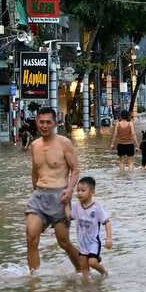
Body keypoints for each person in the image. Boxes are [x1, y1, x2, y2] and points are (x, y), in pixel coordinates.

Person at [24, 107, 81, 274]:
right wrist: (36, 192)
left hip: (60, 196)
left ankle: (82, 270)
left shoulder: (64, 143)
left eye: (48, 122)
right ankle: (34, 280)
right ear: (36, 122)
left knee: (63, 242)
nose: (44, 126)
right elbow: (35, 172)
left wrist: (70, 190)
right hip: (39, 196)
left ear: (55, 123)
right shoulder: (34, 145)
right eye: (41, 122)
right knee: (31, 238)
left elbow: (75, 170)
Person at [71, 176, 112, 279]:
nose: (79, 193)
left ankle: (104, 273)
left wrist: (109, 238)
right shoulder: (76, 206)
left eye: (83, 190)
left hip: (93, 242)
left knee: (92, 262)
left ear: (92, 192)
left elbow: (107, 222)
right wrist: (64, 204)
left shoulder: (96, 207)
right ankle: (88, 287)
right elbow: (69, 217)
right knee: (84, 267)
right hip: (82, 243)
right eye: (78, 190)